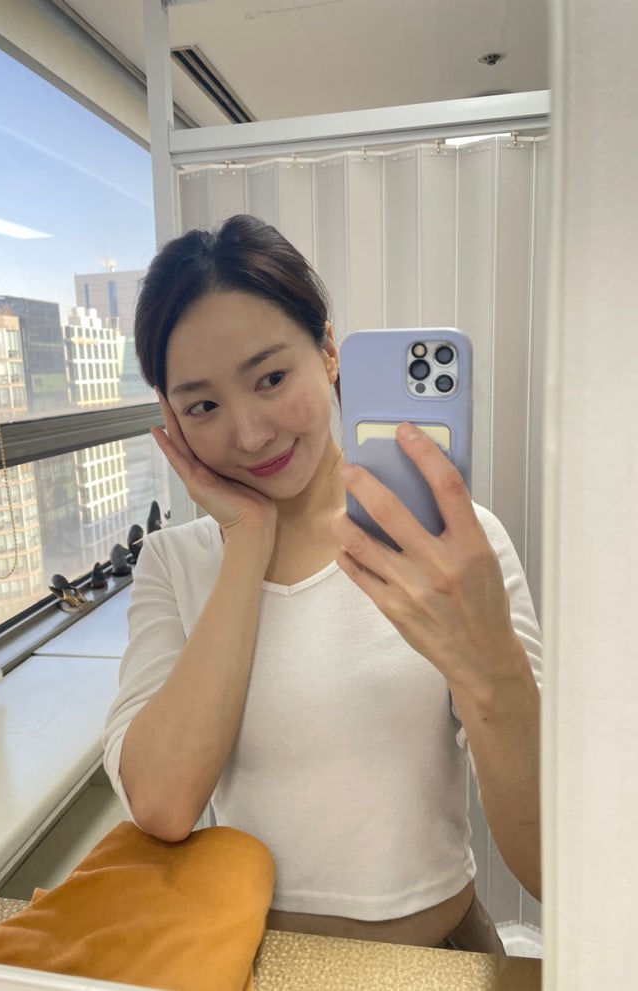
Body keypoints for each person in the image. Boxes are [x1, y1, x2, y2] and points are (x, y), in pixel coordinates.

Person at [102, 214, 542, 953]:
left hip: (441, 958)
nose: (250, 434)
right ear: (170, 417)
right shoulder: (172, 564)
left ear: (329, 352)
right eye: (203, 405)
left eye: (271, 378)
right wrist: (246, 541)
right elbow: (163, 803)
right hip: (257, 967)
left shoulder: (452, 551)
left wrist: (489, 659)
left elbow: (549, 864)